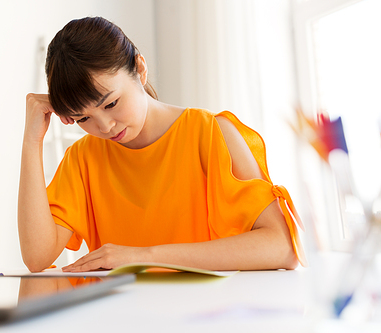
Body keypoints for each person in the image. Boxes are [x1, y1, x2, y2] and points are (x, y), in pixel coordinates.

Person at [18, 16, 307, 273]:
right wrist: (32, 140)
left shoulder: (210, 134)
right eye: (83, 118)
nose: (104, 127)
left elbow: (282, 246)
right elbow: (37, 258)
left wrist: (145, 256)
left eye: (111, 103)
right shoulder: (83, 158)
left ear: (139, 68)